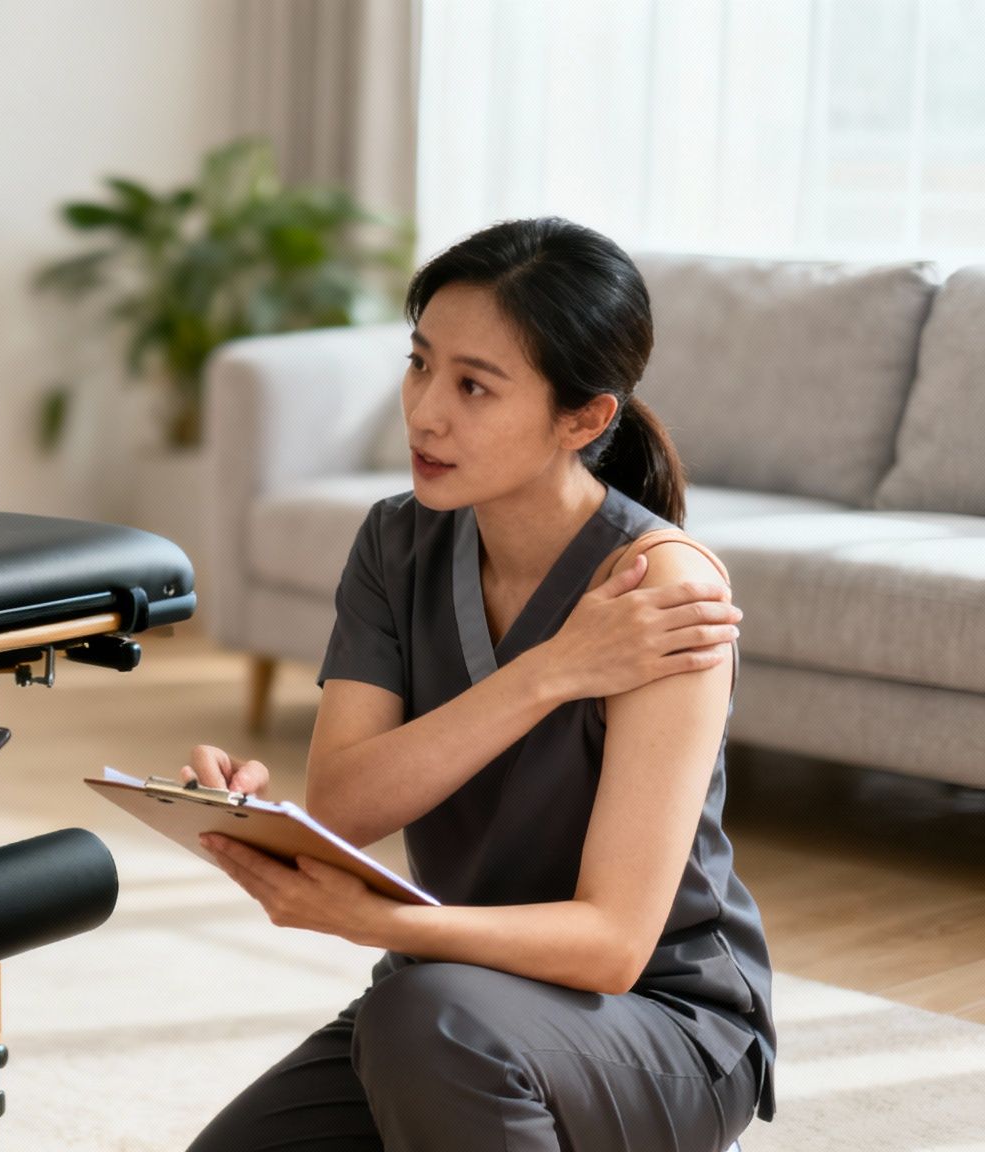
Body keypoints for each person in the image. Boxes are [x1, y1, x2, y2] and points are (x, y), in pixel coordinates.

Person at [183, 218, 776, 1152]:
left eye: (473, 387)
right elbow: (344, 806)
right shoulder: (395, 541)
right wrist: (550, 673)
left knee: (429, 1023)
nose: (425, 413)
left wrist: (383, 924)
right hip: (453, 994)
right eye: (421, 365)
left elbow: (615, 944)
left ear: (584, 419)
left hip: (660, 1023)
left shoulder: (662, 591)